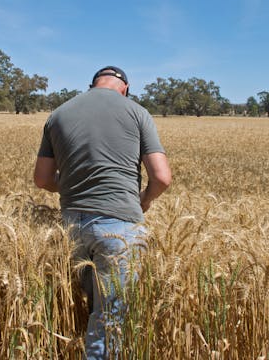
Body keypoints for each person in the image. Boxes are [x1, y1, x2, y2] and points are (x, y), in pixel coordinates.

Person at [33, 66, 172, 359]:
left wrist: (76, 186)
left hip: (72, 225)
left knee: (88, 307)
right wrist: (143, 200)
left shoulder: (58, 114)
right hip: (118, 228)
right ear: (126, 87)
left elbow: (43, 179)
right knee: (108, 318)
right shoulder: (136, 112)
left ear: (92, 85)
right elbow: (162, 177)